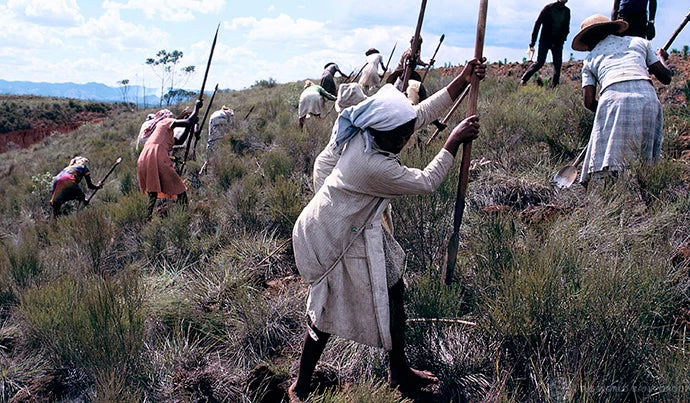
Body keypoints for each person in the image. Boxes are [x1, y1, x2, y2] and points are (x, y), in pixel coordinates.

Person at [289, 57, 486, 402]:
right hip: (327, 238)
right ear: (390, 137)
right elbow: (425, 182)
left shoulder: (371, 133)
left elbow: (419, 114)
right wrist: (451, 142)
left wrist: (462, 80)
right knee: (325, 310)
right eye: (405, 135)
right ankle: (300, 386)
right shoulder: (371, 165)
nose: (410, 136)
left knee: (394, 285)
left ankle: (398, 368)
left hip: (353, 226)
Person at [572, 14, 672, 186]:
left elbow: (588, 102)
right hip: (647, 98)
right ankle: (647, 198)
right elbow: (666, 77)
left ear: (588, 39)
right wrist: (661, 57)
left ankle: (613, 197)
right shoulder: (639, 43)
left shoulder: (590, 59)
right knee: (644, 158)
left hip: (612, 98)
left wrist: (606, 114)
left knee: (610, 161)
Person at [137, 100, 201, 217]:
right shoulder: (165, 122)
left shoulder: (163, 133)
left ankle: (145, 219)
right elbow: (188, 121)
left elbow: (180, 140)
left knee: (153, 192)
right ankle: (184, 218)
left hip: (144, 157)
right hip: (156, 156)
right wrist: (196, 107)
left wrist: (189, 125)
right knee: (181, 191)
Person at [520, 0, 570, 87]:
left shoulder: (567, 11)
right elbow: (537, 24)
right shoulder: (548, 8)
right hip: (545, 40)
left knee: (557, 64)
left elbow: (566, 27)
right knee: (540, 62)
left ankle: (555, 87)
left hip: (558, 42)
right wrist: (532, 42)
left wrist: (562, 40)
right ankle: (524, 80)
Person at [200, 106, 235, 174]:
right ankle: (215, 172)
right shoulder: (226, 113)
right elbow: (229, 123)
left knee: (209, 159)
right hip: (217, 142)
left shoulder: (215, 113)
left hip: (211, 141)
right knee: (216, 159)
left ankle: (203, 172)